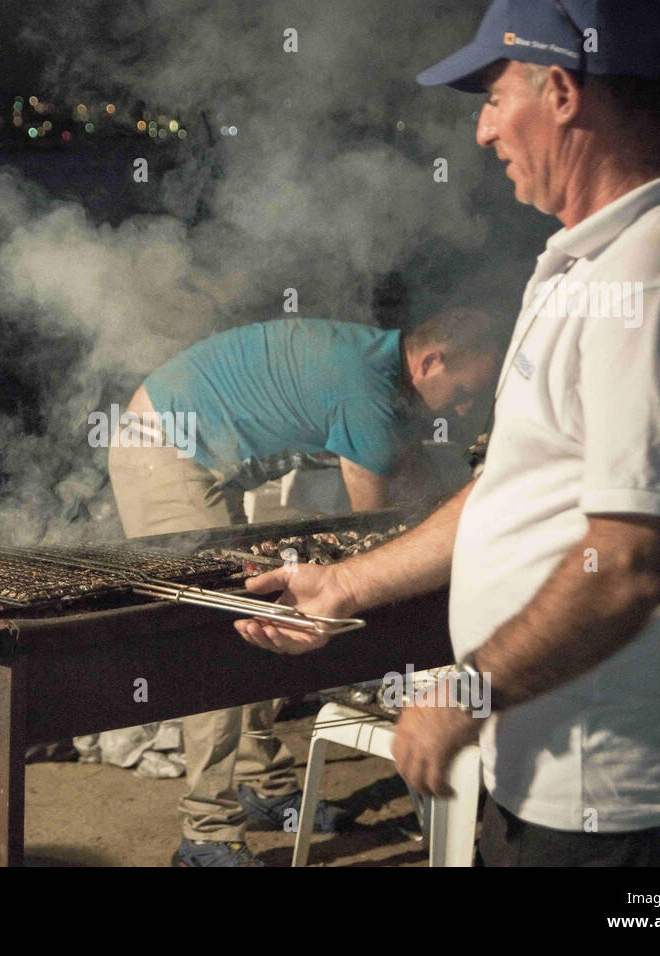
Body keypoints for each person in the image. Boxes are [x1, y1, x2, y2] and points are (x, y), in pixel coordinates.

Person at [235, 0, 660, 866]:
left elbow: (634, 559)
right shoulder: (581, 265)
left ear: (561, 90)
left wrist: (462, 693)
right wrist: (345, 584)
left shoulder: (653, 284)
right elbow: (512, 491)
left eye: (493, 97)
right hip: (548, 790)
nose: (484, 131)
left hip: (638, 816)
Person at [109, 310, 505, 866]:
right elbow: (374, 532)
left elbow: (410, 489)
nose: (464, 410)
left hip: (195, 446)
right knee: (216, 637)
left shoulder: (379, 375)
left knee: (259, 615)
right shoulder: (365, 396)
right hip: (159, 444)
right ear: (431, 362)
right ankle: (206, 833)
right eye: (463, 393)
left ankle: (262, 785)